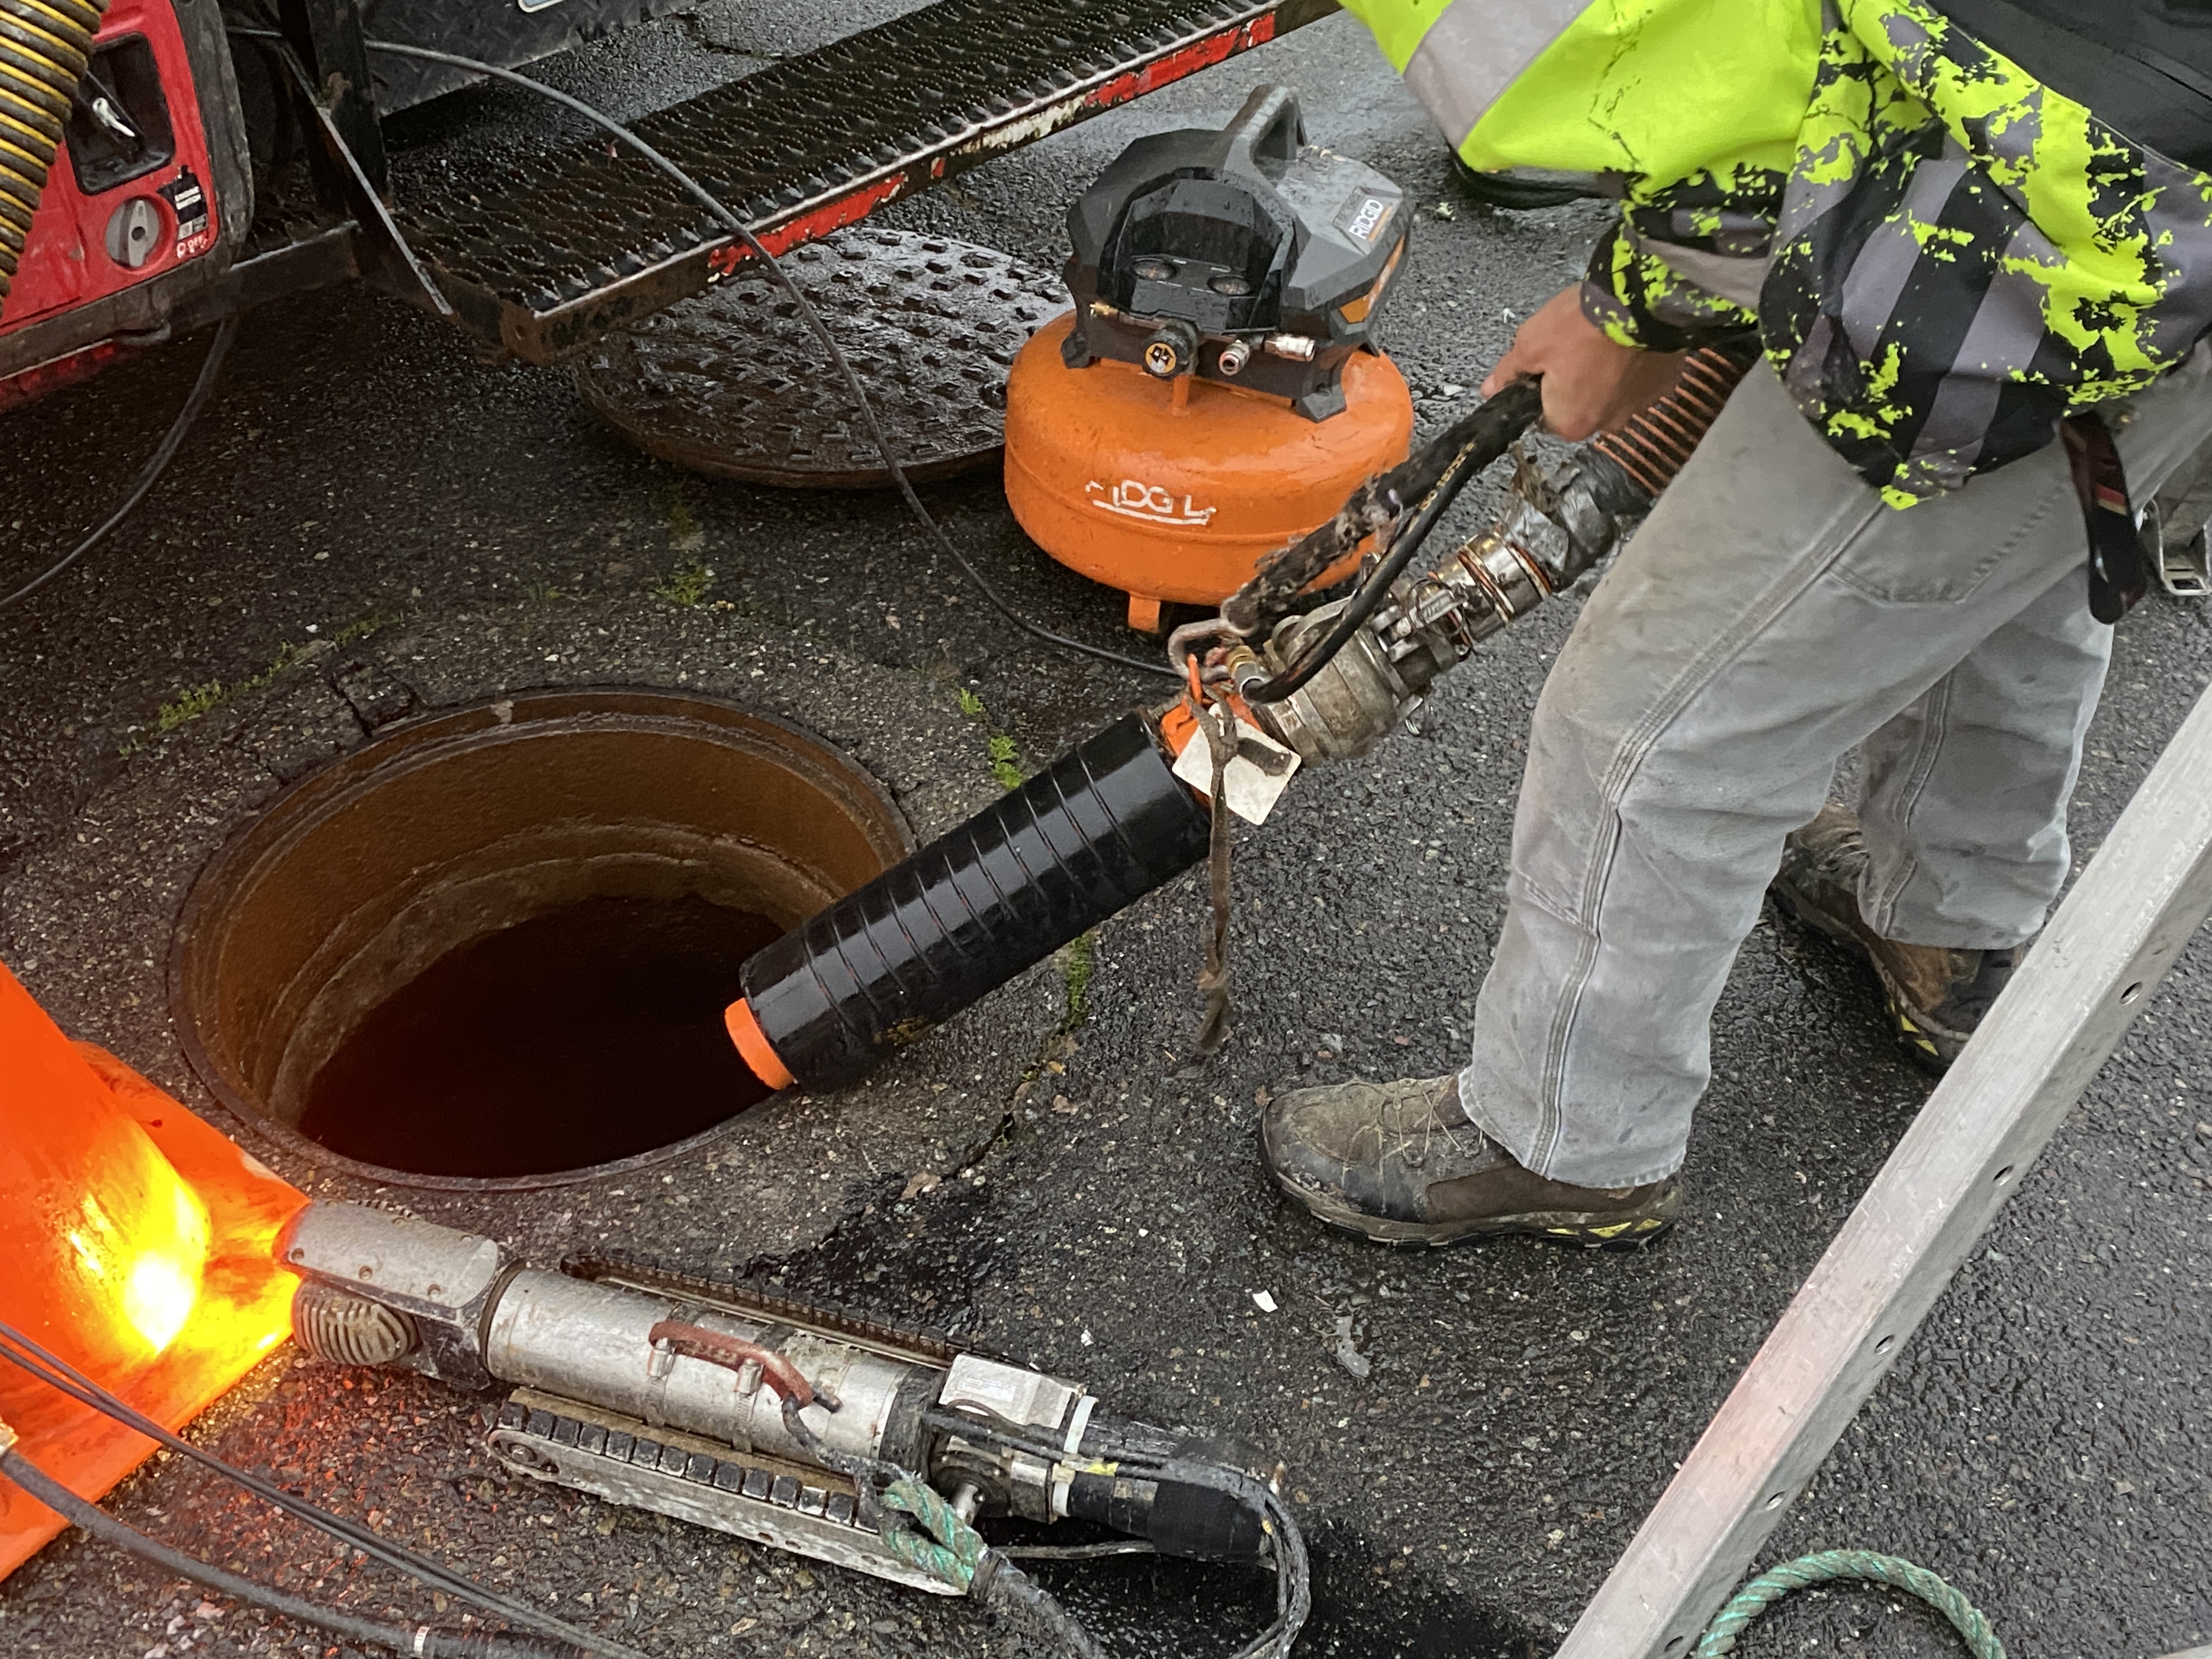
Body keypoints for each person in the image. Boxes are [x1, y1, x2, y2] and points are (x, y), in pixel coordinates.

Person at [1261, 0, 2212, 1248]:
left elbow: (1727, 76)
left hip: (2048, 233)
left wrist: (1633, 304)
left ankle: (1568, 1135)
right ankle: (1948, 927)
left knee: (1653, 726)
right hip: (2140, 217)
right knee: (1997, 565)